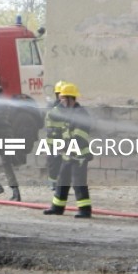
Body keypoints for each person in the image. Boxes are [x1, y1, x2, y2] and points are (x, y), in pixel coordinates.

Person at [42, 82, 93, 218]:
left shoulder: (81, 114)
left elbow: (79, 136)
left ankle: (84, 210)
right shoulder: (68, 112)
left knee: (78, 183)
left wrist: (68, 146)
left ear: (71, 98)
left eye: (64, 98)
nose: (61, 100)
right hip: (68, 154)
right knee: (62, 181)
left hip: (79, 155)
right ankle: (57, 207)